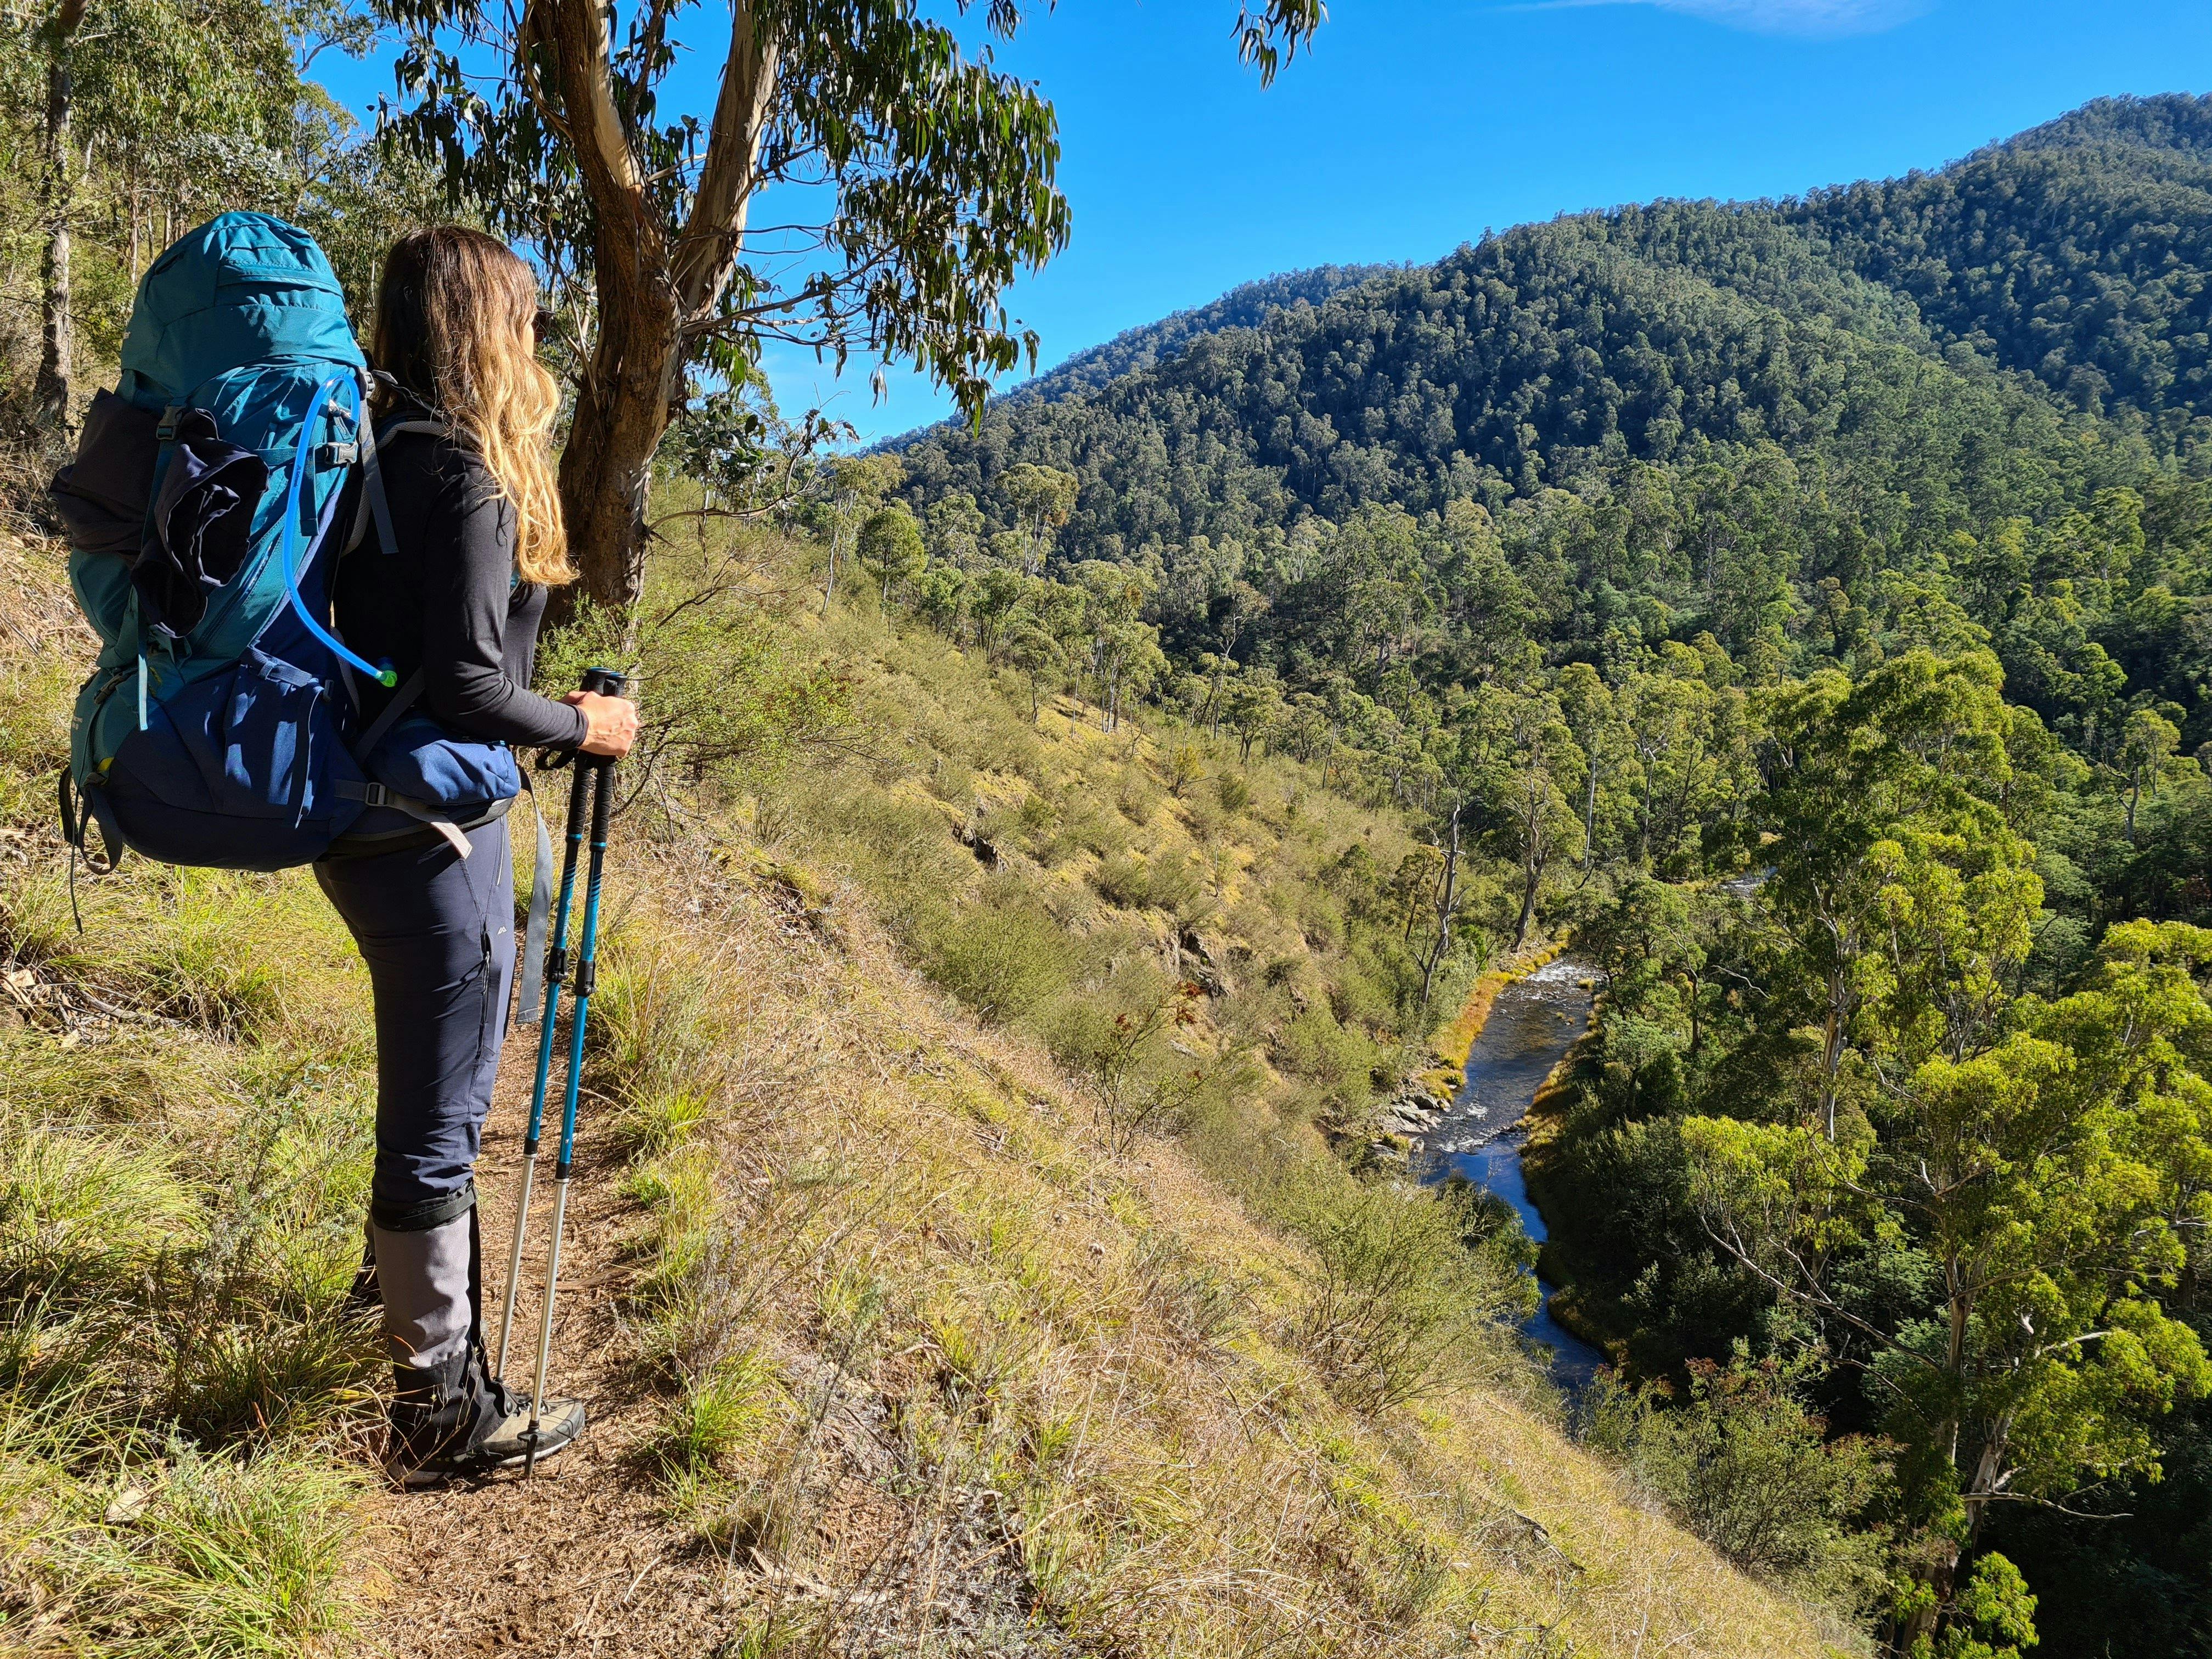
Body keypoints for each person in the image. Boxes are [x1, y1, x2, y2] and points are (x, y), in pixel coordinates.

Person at [317, 226, 639, 1484]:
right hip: (429, 832)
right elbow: (460, 681)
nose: (541, 338)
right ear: (481, 325)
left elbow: (432, 656)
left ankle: (391, 1310)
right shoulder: (457, 468)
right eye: (528, 316)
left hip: (381, 816)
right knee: (441, 1125)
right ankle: (439, 1414)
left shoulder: (381, 455)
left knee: (432, 1092)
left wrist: (530, 710)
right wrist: (584, 725)